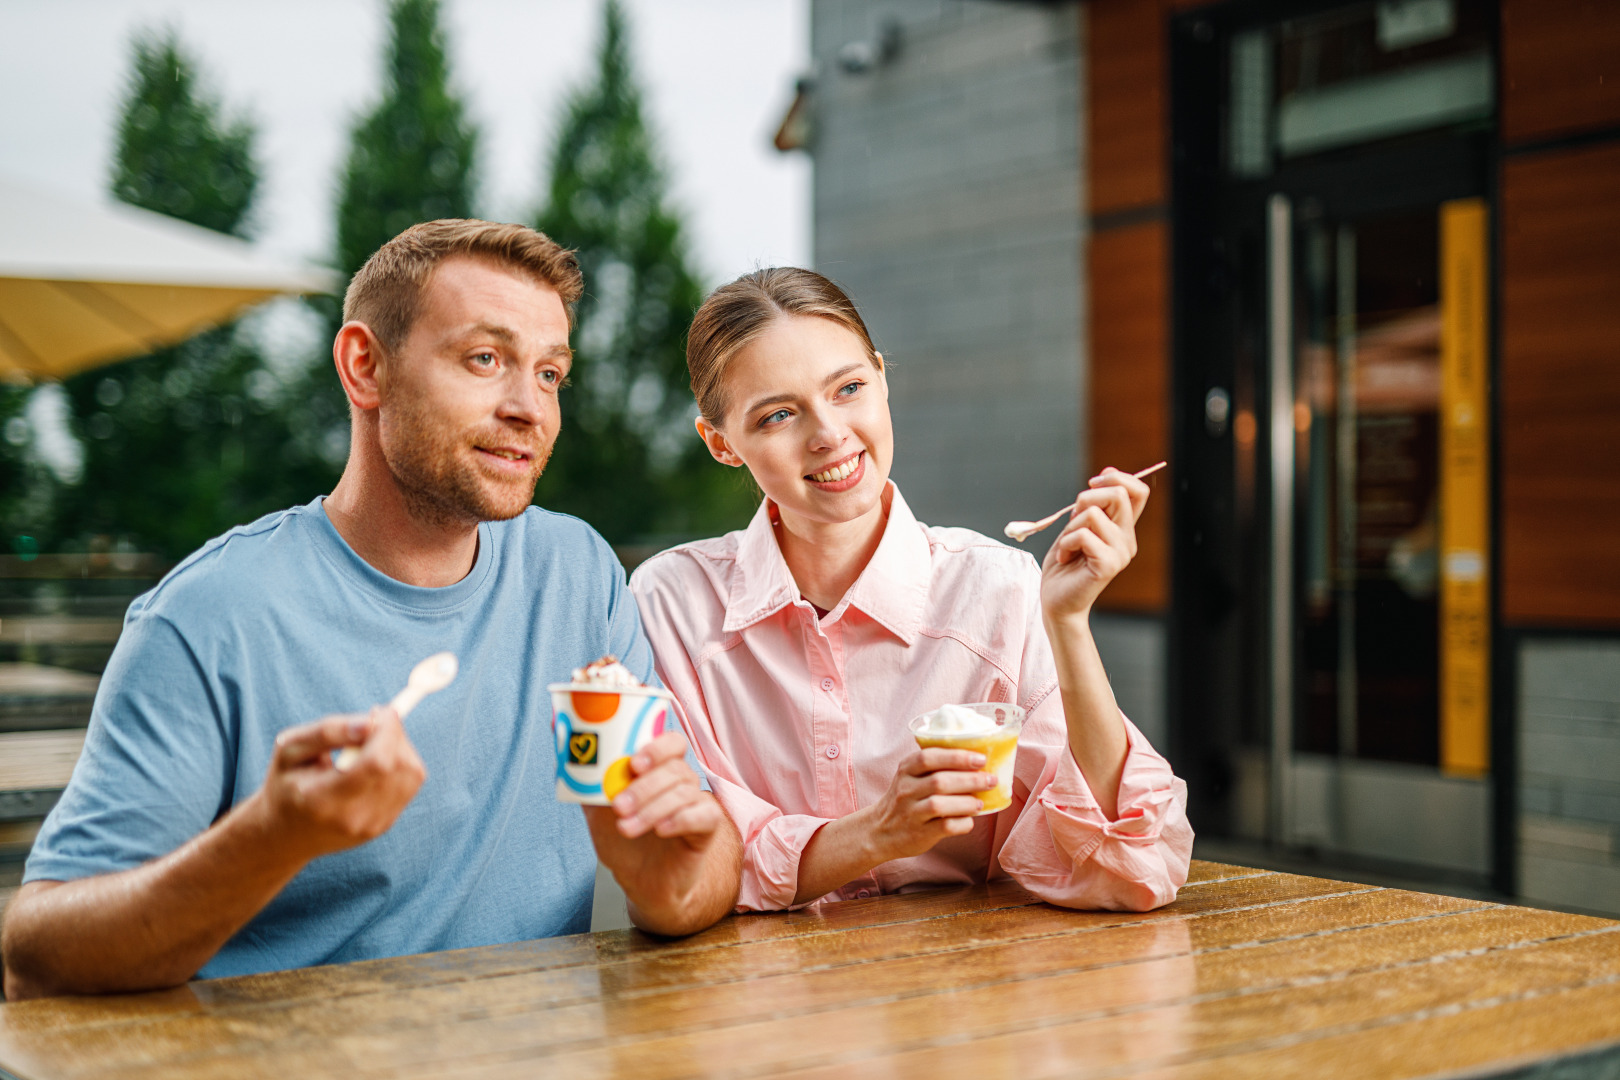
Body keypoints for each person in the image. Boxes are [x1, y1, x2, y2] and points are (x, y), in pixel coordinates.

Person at [1, 221, 741, 1000]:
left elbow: (701, 858)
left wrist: (665, 880)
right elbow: (36, 958)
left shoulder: (577, 573)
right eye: (485, 359)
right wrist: (270, 839)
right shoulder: (210, 617)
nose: (531, 408)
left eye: (551, 373)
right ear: (365, 366)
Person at [629, 268, 1190, 913]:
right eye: (778, 414)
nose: (829, 434)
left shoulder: (997, 590)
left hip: (959, 989)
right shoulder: (671, 606)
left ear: (882, 379)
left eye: (849, 388)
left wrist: (1067, 621)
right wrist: (876, 833)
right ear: (722, 444)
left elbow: (1135, 865)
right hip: (750, 998)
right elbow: (687, 862)